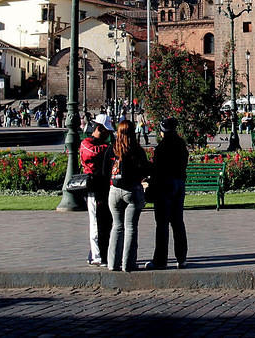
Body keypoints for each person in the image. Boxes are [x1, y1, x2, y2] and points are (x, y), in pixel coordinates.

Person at [107, 119, 151, 272]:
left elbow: (105, 170)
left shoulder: (112, 149)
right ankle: (128, 263)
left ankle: (112, 263)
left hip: (113, 191)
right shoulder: (136, 150)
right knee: (131, 227)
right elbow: (145, 170)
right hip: (132, 190)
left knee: (116, 227)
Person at [146, 118, 189, 270]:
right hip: (179, 184)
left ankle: (160, 260)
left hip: (164, 185)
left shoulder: (162, 147)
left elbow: (157, 170)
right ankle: (181, 257)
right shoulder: (181, 145)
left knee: (162, 224)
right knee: (178, 222)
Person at [80, 113, 114, 267]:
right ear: (98, 128)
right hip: (94, 187)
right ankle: (97, 256)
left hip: (105, 186)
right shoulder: (87, 143)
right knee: (95, 223)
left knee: (105, 222)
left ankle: (99, 252)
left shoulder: (103, 145)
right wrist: (109, 148)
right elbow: (91, 153)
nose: (107, 134)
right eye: (105, 131)